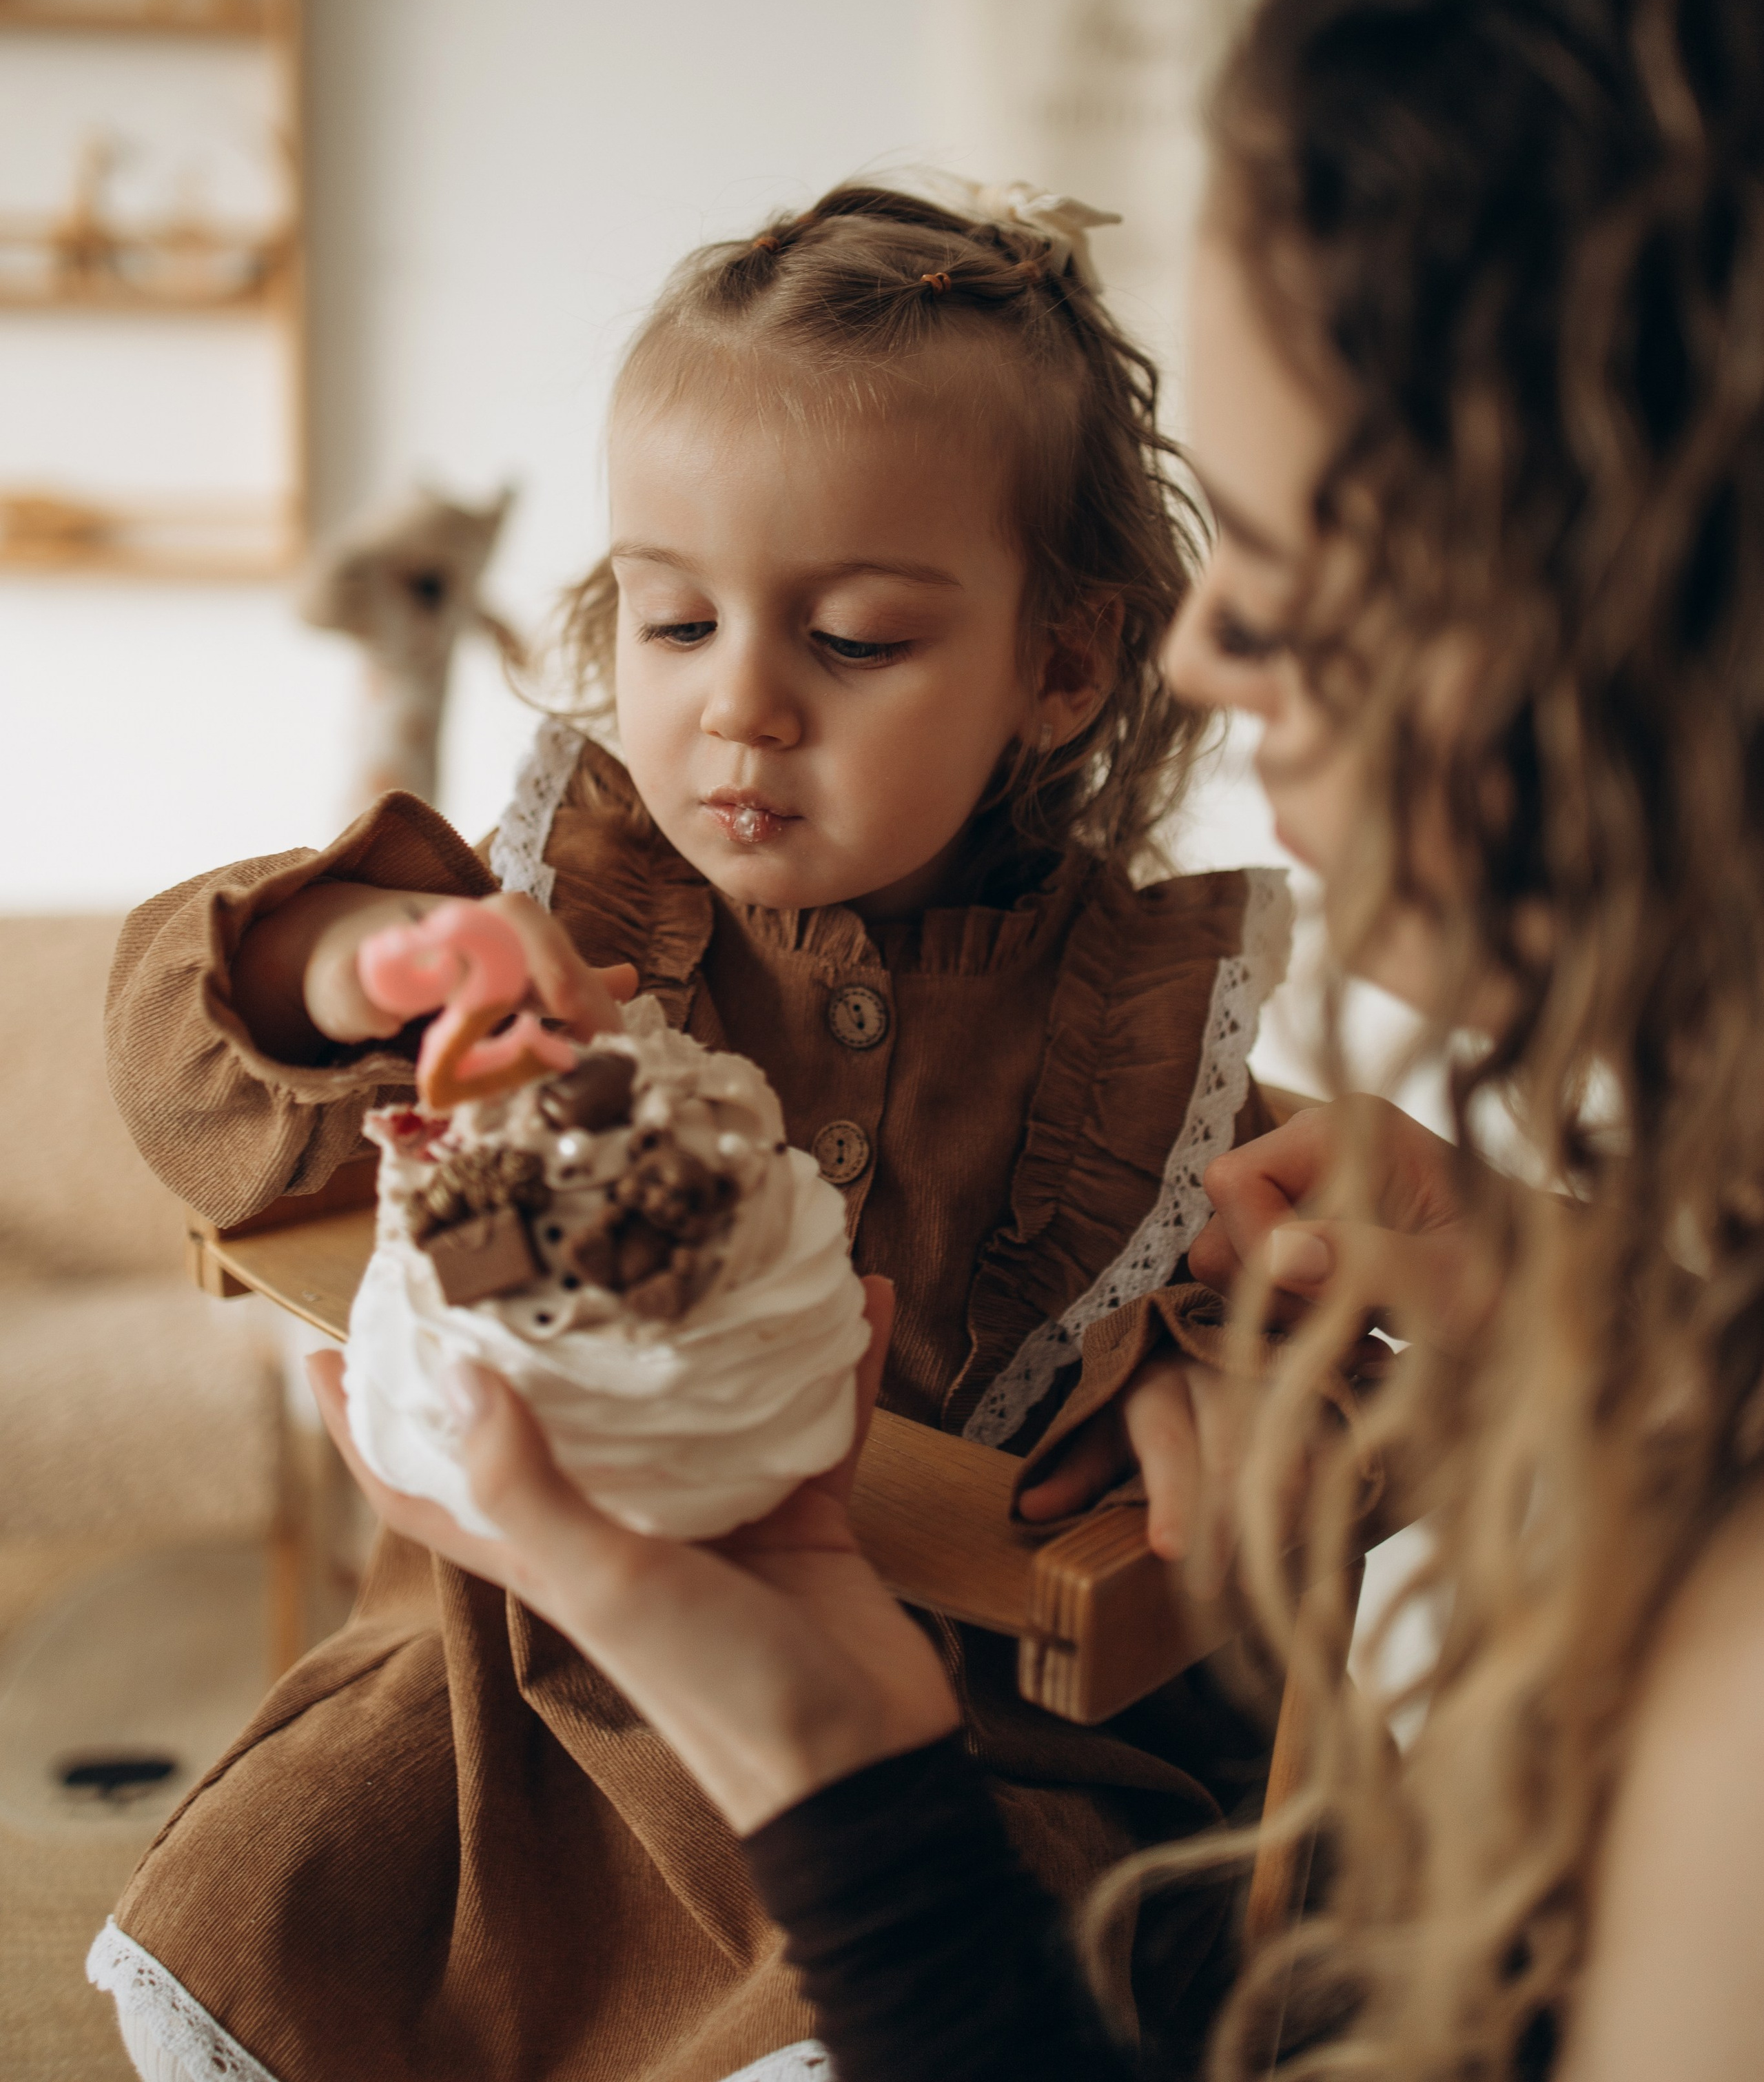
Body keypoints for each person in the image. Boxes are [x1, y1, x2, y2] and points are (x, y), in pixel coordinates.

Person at [303, 0, 1764, 2082]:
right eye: (675, 616)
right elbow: (219, 1002)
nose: (1226, 655)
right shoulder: (581, 900)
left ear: (1642, 612)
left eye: (1299, 563)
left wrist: (847, 1776)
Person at [90, 183, 1307, 2082]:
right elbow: (188, 1033)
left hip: (940, 1724)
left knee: (1009, 1944)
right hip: (502, 1697)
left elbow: (1274, 1263)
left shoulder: (1130, 1034)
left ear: (1059, 670)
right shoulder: (565, 931)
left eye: (855, 642)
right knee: (276, 1903)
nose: (740, 704)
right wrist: (366, 963)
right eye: (676, 618)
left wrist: (1228, 1354)